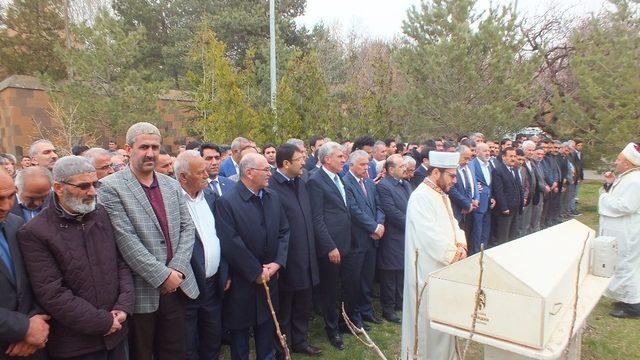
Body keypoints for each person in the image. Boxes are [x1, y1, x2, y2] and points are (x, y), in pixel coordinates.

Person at [98, 122, 199, 360]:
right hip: (143, 292)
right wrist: (162, 276)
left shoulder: (171, 184)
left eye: (155, 147)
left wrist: (177, 271)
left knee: (175, 352)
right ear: (128, 148)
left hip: (177, 286)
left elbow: (187, 228)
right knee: (142, 353)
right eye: (144, 147)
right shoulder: (111, 188)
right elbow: (126, 240)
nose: (150, 153)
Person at [18, 156, 134, 360]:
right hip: (77, 346)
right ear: (59, 188)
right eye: (83, 186)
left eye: (95, 184)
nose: (92, 192)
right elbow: (52, 293)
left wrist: (123, 307)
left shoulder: (100, 214)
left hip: (117, 334)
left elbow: (120, 263)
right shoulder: (35, 232)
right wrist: (102, 322)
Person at [215, 153, 290, 360]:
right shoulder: (227, 202)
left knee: (267, 329)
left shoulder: (272, 196)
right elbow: (230, 242)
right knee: (240, 335)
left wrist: (277, 263)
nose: (270, 173)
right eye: (265, 169)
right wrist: (255, 272)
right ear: (249, 173)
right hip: (243, 282)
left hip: (270, 276)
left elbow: (284, 231)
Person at [401, 151, 467, 360]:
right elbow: (429, 236)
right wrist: (454, 253)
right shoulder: (420, 197)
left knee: (445, 320)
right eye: (452, 176)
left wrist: (461, 244)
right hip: (427, 271)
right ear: (436, 172)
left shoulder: (441, 194)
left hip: (445, 267)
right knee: (427, 322)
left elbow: (453, 223)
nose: (455, 181)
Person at [174, 151, 228, 360]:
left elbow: (221, 236)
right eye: (201, 172)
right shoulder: (172, 202)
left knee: (212, 335)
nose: (207, 175)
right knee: (188, 340)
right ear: (183, 177)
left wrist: (225, 272)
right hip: (187, 286)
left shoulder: (211, 197)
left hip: (213, 283)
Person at [268, 143, 321, 356]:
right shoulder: (272, 187)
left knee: (303, 304)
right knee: (285, 307)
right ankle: (283, 346)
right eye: (300, 159)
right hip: (288, 259)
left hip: (306, 254)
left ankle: (300, 341)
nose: (304, 163)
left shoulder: (301, 181)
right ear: (286, 163)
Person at [306, 142, 352, 351]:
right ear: (326, 159)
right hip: (331, 247)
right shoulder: (316, 181)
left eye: (344, 156)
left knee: (343, 287)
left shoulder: (338, 178)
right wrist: (329, 247)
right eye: (340, 156)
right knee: (330, 291)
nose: (344, 159)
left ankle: (343, 323)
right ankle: (332, 330)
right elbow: (317, 219)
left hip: (345, 242)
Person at [0, 169, 49, 359]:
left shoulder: (16, 224)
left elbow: (39, 278)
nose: (6, 206)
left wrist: (36, 321)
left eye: (11, 196)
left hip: (33, 346)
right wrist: (24, 328)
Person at [342, 150, 385, 329]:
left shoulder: (369, 182)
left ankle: (367, 311)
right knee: (355, 280)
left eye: (367, 164)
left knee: (367, 278)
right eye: (362, 164)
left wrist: (380, 224)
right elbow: (353, 210)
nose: (366, 168)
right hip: (357, 240)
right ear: (351, 165)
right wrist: (373, 227)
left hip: (372, 240)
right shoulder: (346, 183)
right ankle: (354, 315)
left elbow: (379, 205)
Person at [599, 143, 640, 318]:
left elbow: (627, 205)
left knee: (626, 265)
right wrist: (609, 185)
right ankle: (625, 299)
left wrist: (603, 197)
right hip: (621, 230)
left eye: (619, 159)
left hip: (627, 231)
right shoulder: (627, 176)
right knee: (622, 264)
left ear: (628, 163)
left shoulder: (635, 180)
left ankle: (633, 306)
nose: (615, 162)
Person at [376, 154, 411, 323]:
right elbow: (391, 212)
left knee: (401, 270)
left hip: (405, 235)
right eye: (401, 166)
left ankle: (400, 302)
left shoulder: (405, 184)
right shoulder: (384, 186)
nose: (405, 168)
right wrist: (412, 223)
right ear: (391, 169)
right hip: (392, 236)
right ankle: (388, 309)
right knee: (390, 272)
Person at [491, 147, 523, 246]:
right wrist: (504, 207)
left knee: (512, 236)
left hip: (515, 208)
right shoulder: (498, 171)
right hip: (505, 210)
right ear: (504, 157)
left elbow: (519, 188)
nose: (513, 158)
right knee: (503, 238)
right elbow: (498, 191)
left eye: (514, 156)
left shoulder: (515, 170)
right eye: (510, 156)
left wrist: (520, 204)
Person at [448, 145, 479, 240]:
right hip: (457, 211)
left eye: (469, 159)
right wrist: (467, 204)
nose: (467, 162)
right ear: (457, 155)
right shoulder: (450, 169)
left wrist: (475, 200)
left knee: (468, 238)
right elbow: (452, 190)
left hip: (471, 210)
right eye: (465, 158)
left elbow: (473, 185)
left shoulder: (469, 167)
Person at [470, 143, 494, 254]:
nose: (488, 153)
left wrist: (492, 197)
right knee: (477, 232)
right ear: (477, 152)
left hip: (488, 204)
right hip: (478, 205)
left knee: (485, 232)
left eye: (488, 150)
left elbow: (489, 184)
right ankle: (475, 254)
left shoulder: (489, 165)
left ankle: (484, 253)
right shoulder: (472, 165)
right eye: (485, 151)